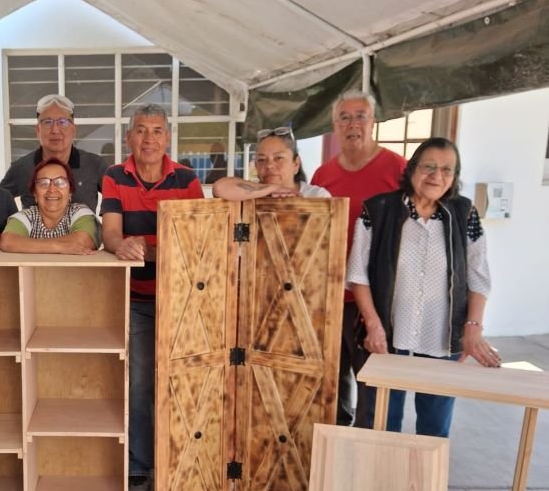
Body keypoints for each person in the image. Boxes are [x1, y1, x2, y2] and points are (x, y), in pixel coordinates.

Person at [347, 137, 500, 437]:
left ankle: (424, 471)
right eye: (428, 166)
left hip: (441, 337)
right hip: (387, 337)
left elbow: (478, 277)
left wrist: (473, 329)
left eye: (446, 169)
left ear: (454, 176)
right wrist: (373, 326)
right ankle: (383, 470)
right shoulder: (378, 210)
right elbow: (357, 274)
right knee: (382, 425)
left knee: (434, 429)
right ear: (412, 168)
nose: (436, 175)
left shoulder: (464, 213)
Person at [100, 103, 204, 491]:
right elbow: (111, 235)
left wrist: (146, 249)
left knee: (186, 381)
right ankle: (140, 467)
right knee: (140, 385)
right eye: (141, 130)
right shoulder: (114, 176)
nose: (149, 138)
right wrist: (122, 245)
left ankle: (186, 466)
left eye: (157, 130)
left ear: (168, 138)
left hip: (183, 300)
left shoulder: (187, 179)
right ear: (129, 137)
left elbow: (196, 241)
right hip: (136, 299)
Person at [310, 90, 407, 427]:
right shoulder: (323, 176)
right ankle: (336, 446)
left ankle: (370, 449)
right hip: (331, 297)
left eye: (360, 116)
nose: (353, 124)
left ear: (373, 122)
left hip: (377, 300)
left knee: (373, 387)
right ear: (335, 126)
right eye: (345, 118)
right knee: (329, 385)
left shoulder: (398, 170)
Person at [0, 94, 109, 212]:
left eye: (62, 122)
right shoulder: (21, 168)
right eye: (48, 122)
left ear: (73, 129)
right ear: (38, 130)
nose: (55, 130)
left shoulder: (95, 165)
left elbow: (117, 201)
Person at [0, 159, 99, 254]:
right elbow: (8, 241)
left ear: (70, 192)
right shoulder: (25, 216)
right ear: (35, 193)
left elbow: (82, 241)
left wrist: (30, 246)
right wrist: (59, 247)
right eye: (44, 183)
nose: (52, 189)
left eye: (60, 182)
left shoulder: (81, 213)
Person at [212, 127, 330, 200]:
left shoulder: (316, 196)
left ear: (296, 164)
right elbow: (219, 188)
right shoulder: (250, 194)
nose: (269, 165)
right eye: (261, 160)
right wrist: (272, 189)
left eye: (278, 158)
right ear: (256, 166)